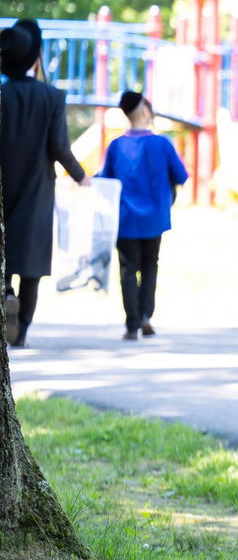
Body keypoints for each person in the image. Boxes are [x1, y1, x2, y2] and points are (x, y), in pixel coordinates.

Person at [0, 19, 89, 348]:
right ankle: (21, 330)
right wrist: (82, 177)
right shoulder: (51, 96)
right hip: (37, 188)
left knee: (4, 254)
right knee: (32, 263)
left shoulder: (2, 94)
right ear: (35, 59)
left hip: (3, 185)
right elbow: (59, 147)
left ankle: (5, 294)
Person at [99, 91, 189, 340]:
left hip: (125, 219)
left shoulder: (116, 146)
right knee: (151, 265)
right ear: (143, 112)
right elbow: (181, 176)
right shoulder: (162, 144)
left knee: (128, 270)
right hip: (155, 219)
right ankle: (147, 315)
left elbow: (105, 179)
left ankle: (131, 324)